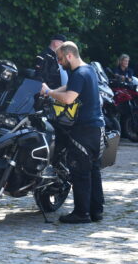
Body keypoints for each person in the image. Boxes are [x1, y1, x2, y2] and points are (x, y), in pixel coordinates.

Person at [40, 41, 105, 223]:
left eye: (60, 59)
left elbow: (68, 98)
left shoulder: (80, 73)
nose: (59, 63)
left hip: (83, 130)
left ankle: (81, 214)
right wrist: (50, 91)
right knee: (93, 170)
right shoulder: (88, 70)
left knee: (80, 172)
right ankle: (96, 211)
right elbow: (70, 87)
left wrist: (50, 93)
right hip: (97, 128)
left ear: (69, 55)